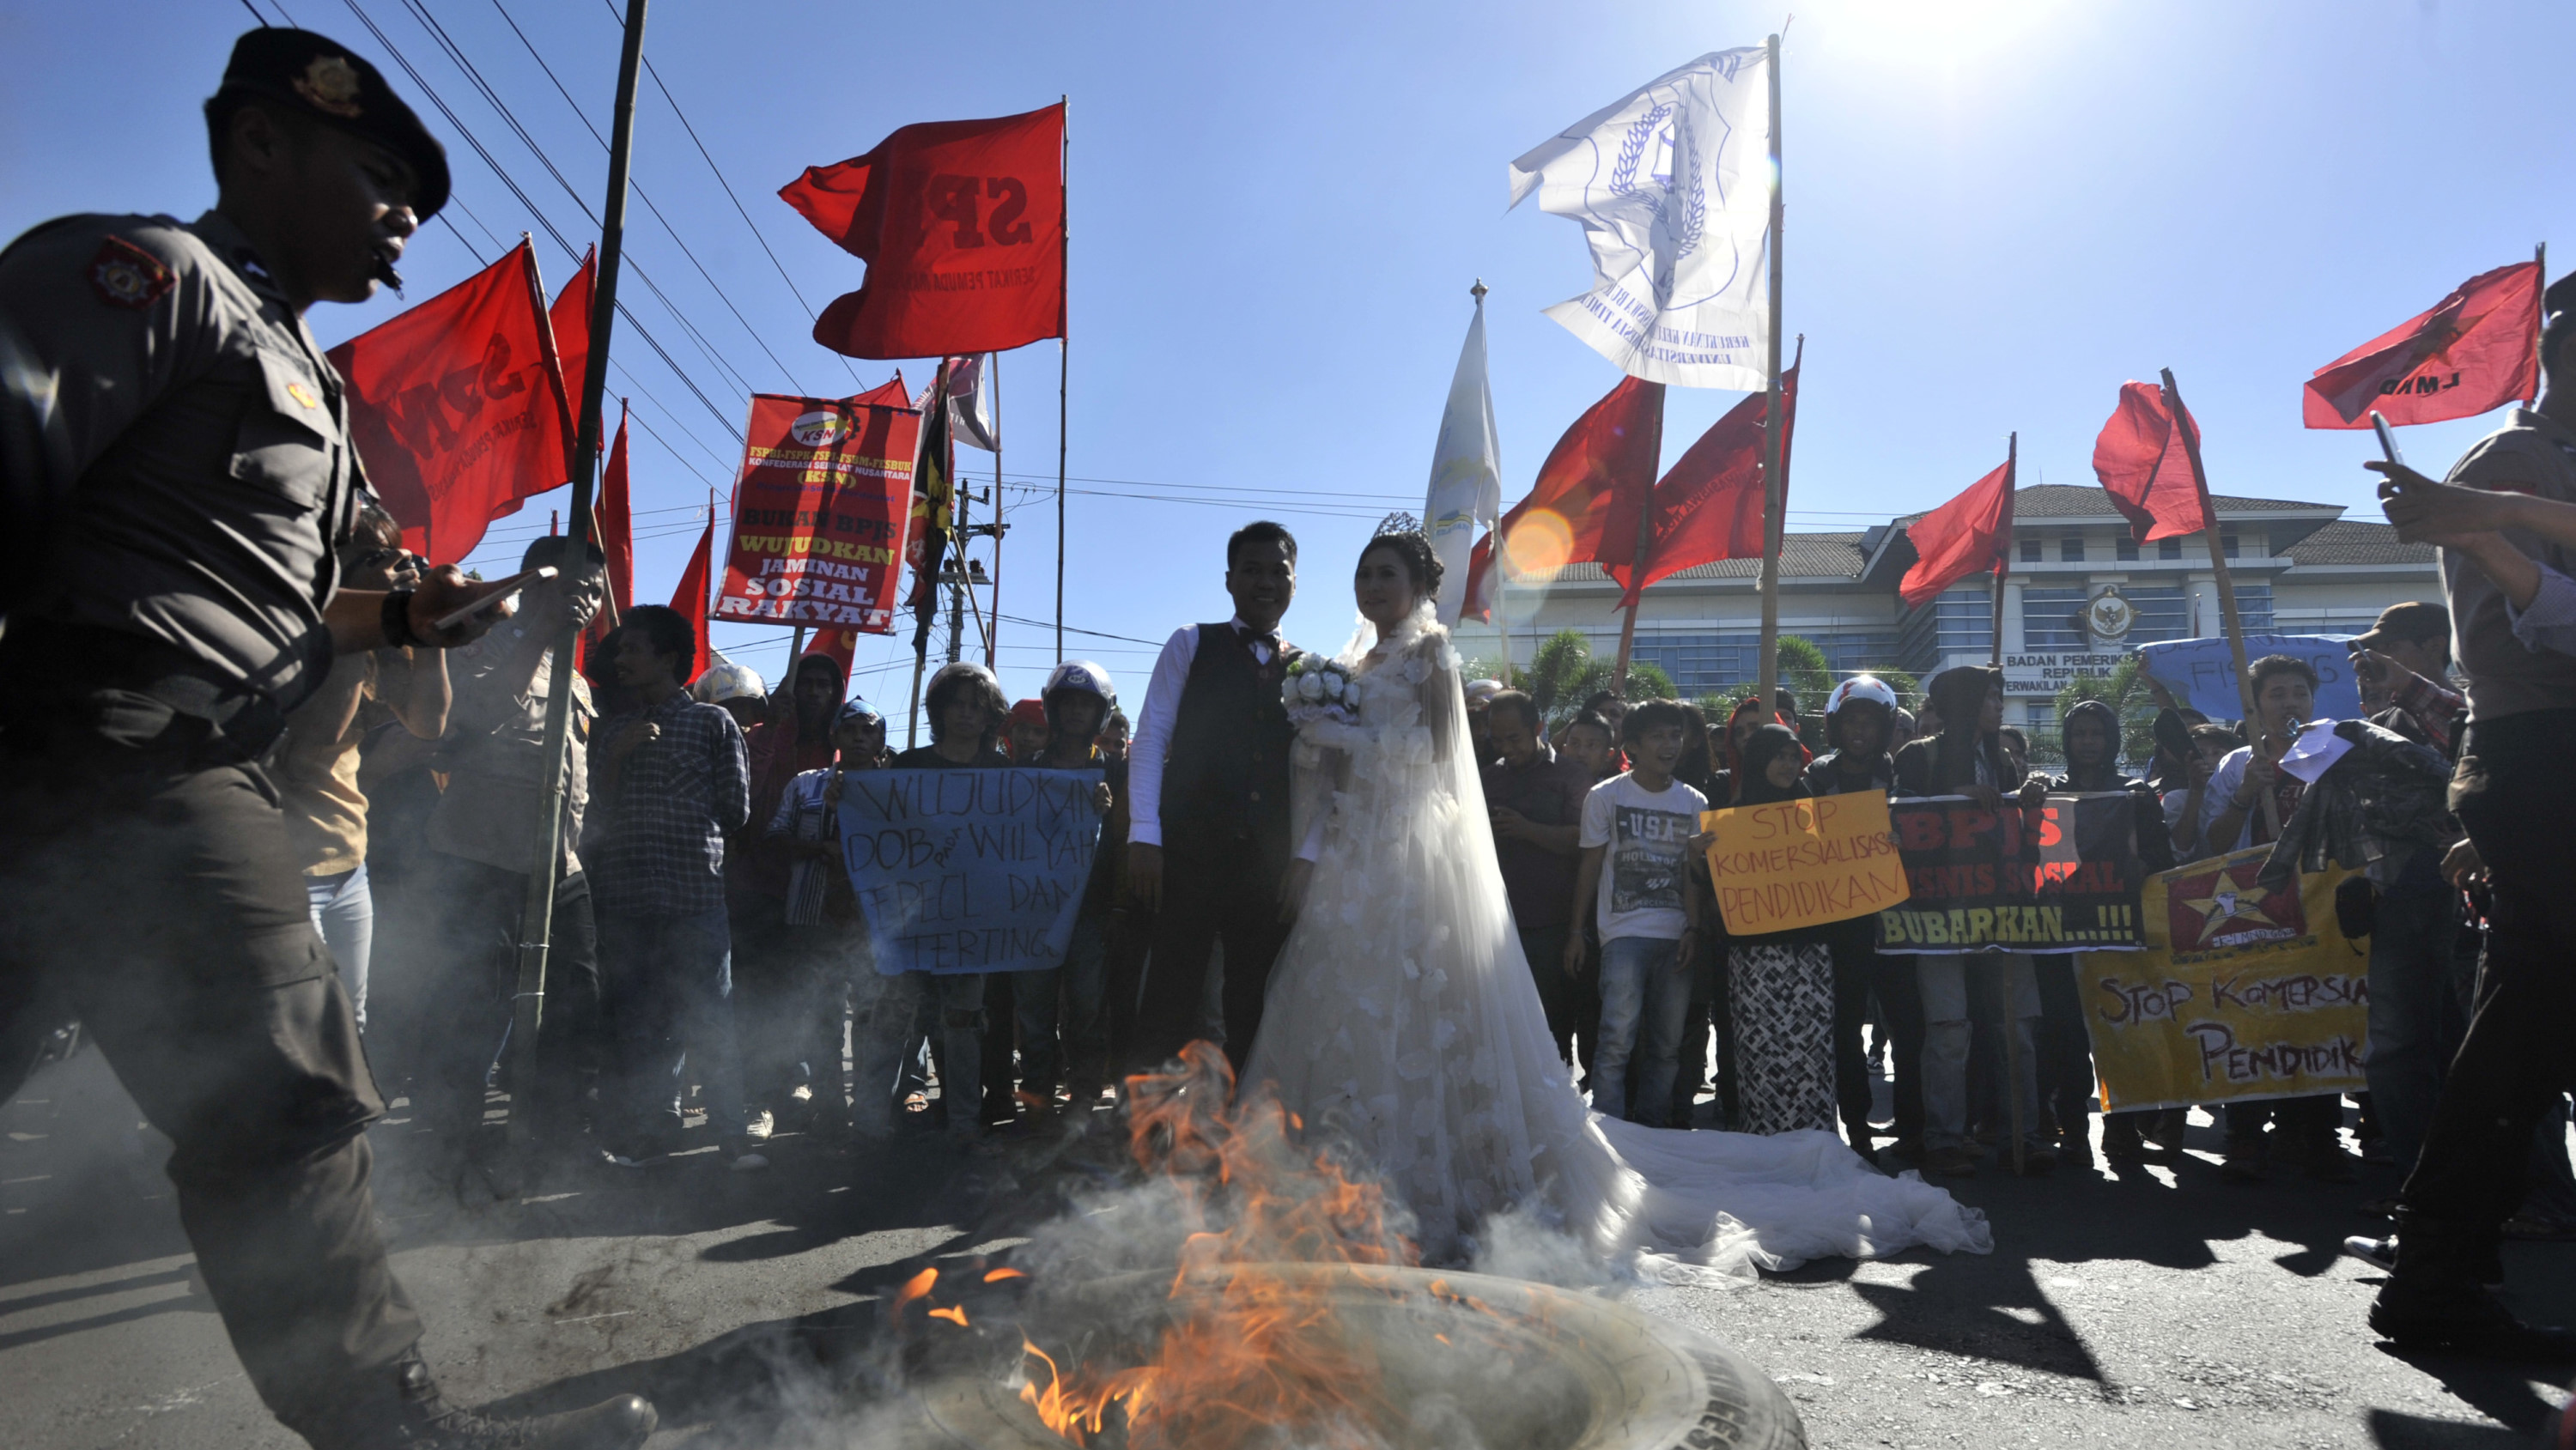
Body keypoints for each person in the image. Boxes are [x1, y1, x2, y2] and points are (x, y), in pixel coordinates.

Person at [0, 27, 654, 1448]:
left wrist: (442, 614)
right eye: (380, 178)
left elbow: (296, 612)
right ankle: (393, 1427)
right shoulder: (152, 282)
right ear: (259, 148)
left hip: (171, 752)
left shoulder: (314, 380)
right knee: (283, 1090)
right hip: (116, 745)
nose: (407, 219)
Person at [1243, 525, 1991, 1273]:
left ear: (1418, 588)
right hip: (1353, 861)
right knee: (1348, 1010)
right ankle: (1331, 1183)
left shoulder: (1432, 657)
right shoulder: (1342, 665)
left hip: (1415, 857)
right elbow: (1331, 777)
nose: (1373, 586)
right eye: (1364, 573)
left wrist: (1346, 742)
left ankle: (1442, 1184)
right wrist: (1314, 766)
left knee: (1427, 1010)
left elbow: (1440, 756)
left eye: (1387, 574)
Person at [2354, 349, 2576, 1353]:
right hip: (2548, 749)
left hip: (2540, 762)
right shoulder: (2523, 460)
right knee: (2526, 1026)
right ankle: (2436, 1270)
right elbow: (2528, 638)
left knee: (2524, 1023)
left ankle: (2436, 1266)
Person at [415, 537, 610, 1177]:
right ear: (535, 584)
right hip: (480, 859)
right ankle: (451, 1151)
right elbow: (467, 727)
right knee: (472, 1011)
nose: (587, 598)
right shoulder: (482, 645)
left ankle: (553, 1140)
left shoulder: (578, 678)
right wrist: (538, 635)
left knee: (575, 1008)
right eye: (573, 584)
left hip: (559, 868)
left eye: (595, 588)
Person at [1124, 520, 1303, 1075]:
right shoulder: (1190, 642)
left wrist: (1306, 854)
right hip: (1188, 852)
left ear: (1295, 582)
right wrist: (1144, 834)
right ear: (1230, 580)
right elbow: (1150, 736)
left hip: (1268, 865)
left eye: (1279, 571)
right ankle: (1147, 1130)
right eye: (1252, 570)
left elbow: (1326, 771)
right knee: (1170, 992)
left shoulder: (1311, 670)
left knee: (1254, 997)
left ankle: (1236, 1132)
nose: (1266, 581)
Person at [589, 606, 756, 1169]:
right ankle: (652, 1139)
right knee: (642, 1024)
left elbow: (737, 810)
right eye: (619, 651)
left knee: (711, 1018)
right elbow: (594, 813)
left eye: (633, 649)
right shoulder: (612, 729)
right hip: (628, 901)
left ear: (668, 659)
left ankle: (732, 1138)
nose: (621, 659)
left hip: (694, 901)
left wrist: (685, 816)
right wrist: (618, 757)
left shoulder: (714, 723)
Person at [277, 500, 449, 1029]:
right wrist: (361, 615)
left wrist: (430, 630)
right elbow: (318, 735)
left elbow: (428, 722)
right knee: (301, 1028)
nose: (403, 567)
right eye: (379, 556)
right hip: (286, 866)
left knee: (349, 1024)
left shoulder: (382, 642)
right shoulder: (292, 629)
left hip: (349, 861)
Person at [2194, 654, 2357, 1184]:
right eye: (2277, 695)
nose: (2290, 704)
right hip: (2253, 912)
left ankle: (2314, 1131)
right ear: (2256, 705)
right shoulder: (2238, 765)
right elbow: (2210, 846)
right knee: (2252, 1021)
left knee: (2317, 1016)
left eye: (2299, 694)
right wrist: (2245, 794)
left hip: (2321, 910)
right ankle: (2244, 1134)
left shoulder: (2336, 755)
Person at [1893, 666, 2052, 1177]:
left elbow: (2015, 828)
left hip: (2002, 916)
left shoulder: (2002, 759)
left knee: (2017, 1028)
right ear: (1964, 705)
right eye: (1989, 697)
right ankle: (1943, 1139)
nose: (1999, 706)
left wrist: (2027, 797)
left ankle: (2020, 1136)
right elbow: (1897, 820)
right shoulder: (1919, 755)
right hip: (1935, 918)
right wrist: (1956, 798)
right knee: (1948, 1030)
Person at [1561, 699, 1708, 1127]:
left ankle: (1654, 1129)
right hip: (1622, 936)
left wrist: (1693, 930)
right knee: (1615, 1040)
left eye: (1675, 735)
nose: (1670, 745)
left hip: (1676, 934)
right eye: (1658, 736)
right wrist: (1576, 931)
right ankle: (1610, 1131)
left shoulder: (1693, 800)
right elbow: (1589, 865)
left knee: (1666, 1045)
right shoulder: (1606, 796)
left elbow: (1692, 873)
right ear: (1634, 745)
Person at [2044, 699, 2177, 1165]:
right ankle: (2074, 1130)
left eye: (2096, 734)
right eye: (2079, 733)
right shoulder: (2047, 791)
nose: (2087, 742)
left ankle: (2121, 1128)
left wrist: (2142, 865)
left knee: (2120, 1034)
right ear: (2067, 740)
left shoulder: (2135, 793)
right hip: (2061, 933)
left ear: (2111, 740)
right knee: (2065, 1037)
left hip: (2121, 931)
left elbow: (2165, 860)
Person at [884, 660, 1011, 1144]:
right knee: (897, 1017)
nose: (966, 714)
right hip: (912, 916)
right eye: (956, 704)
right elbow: (884, 829)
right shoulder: (909, 765)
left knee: (963, 1021)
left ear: (990, 715)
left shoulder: (1003, 771)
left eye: (977, 706)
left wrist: (1091, 806)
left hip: (972, 919)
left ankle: (963, 1122)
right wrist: (844, 798)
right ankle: (874, 1121)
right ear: (939, 710)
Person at [729, 652, 845, 1133]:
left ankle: (807, 1091)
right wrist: (773, 731)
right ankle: (760, 1099)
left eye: (824, 685)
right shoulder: (760, 739)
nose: (815, 692)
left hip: (819, 900)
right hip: (760, 886)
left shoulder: (846, 751)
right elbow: (745, 801)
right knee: (760, 996)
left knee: (812, 1000)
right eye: (807, 684)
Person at [1004, 663, 1125, 1115]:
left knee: (1087, 1006)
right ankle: (1037, 1090)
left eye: (1086, 704)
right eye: (1068, 702)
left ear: (1102, 712)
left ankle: (1086, 1090)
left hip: (1089, 913)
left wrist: (1109, 813)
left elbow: (1130, 841)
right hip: (1032, 912)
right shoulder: (1024, 770)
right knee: (1034, 1011)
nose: (1076, 711)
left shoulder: (1117, 771)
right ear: (1054, 708)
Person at [769, 699, 887, 1138]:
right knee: (823, 1016)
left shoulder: (895, 787)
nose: (859, 737)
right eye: (850, 729)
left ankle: (871, 1106)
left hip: (872, 922)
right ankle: (829, 1104)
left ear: (880, 740)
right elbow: (776, 834)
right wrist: (821, 846)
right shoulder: (805, 786)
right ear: (834, 737)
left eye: (868, 730)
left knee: (872, 1016)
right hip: (813, 915)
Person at [1722, 725, 1842, 1135]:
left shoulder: (1815, 812)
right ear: (1758, 760)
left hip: (1808, 956)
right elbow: (1719, 886)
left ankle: (1816, 1141)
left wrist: (1881, 844)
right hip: (1756, 959)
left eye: (1795, 757)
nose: (1789, 765)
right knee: (1762, 1052)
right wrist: (1698, 857)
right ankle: (1765, 1142)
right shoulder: (1734, 818)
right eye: (1779, 756)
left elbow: (1840, 868)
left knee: (1812, 1053)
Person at [1806, 676, 1903, 1152]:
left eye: (1869, 721)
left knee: (1908, 1024)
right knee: (1843, 1026)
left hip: (1900, 918)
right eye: (1851, 721)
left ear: (1885, 728)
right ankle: (1857, 1125)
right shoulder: (1816, 777)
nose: (1859, 730)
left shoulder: (1906, 775)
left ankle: (1914, 1126)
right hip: (1839, 920)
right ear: (1835, 727)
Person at [1482, 688, 1591, 1065]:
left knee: (1552, 1028)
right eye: (1497, 739)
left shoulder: (1572, 776)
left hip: (1553, 925)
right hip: (1498, 924)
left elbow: (1584, 843)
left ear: (1539, 728)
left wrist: (1528, 830)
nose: (1506, 748)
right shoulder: (1485, 779)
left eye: (1514, 738)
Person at [690, 652, 769, 732]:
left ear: (757, 712)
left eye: (742, 707)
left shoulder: (774, 742)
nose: (735, 716)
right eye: (726, 709)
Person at [1560, 710, 1619, 782]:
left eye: (1591, 745)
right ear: (1564, 750)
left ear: (1609, 754)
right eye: (1575, 744)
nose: (1581, 753)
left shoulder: (1612, 792)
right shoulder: (1546, 787)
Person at [1005, 696, 1050, 762]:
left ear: (1050, 739)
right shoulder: (992, 768)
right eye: (1022, 729)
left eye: (1039, 732)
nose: (1029, 738)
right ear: (1010, 733)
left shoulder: (1063, 771)